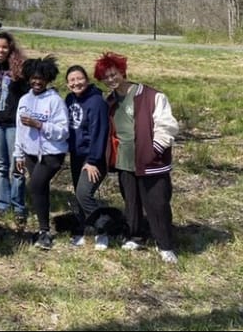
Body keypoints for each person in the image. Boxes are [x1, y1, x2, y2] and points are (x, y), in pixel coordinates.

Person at [93, 51, 180, 264]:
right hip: (125, 160)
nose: (110, 79)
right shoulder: (111, 100)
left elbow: (167, 126)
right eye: (105, 77)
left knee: (157, 203)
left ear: (122, 72)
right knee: (131, 201)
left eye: (113, 74)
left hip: (151, 161)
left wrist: (154, 150)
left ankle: (165, 245)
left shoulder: (150, 96)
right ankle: (135, 236)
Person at [13, 55, 69, 250]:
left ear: (48, 79)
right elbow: (19, 130)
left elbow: (63, 131)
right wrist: (18, 154)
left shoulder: (55, 101)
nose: (37, 82)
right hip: (29, 153)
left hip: (51, 154)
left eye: (41, 78)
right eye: (33, 78)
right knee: (41, 188)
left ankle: (44, 231)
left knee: (35, 186)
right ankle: (43, 229)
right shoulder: (24, 100)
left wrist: (40, 125)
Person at [0, 31, 29, 226]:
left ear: (10, 48)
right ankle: (3, 204)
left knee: (16, 167)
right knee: (1, 166)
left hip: (13, 124)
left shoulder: (19, 69)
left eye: (4, 47)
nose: (0, 50)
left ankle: (18, 205)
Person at [65, 65, 111, 250]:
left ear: (87, 79)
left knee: (84, 194)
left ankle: (104, 229)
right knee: (78, 195)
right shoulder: (69, 99)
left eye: (79, 78)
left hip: (94, 157)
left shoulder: (97, 102)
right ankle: (80, 231)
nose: (76, 83)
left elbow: (100, 133)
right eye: (72, 80)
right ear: (68, 85)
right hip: (77, 154)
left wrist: (93, 161)